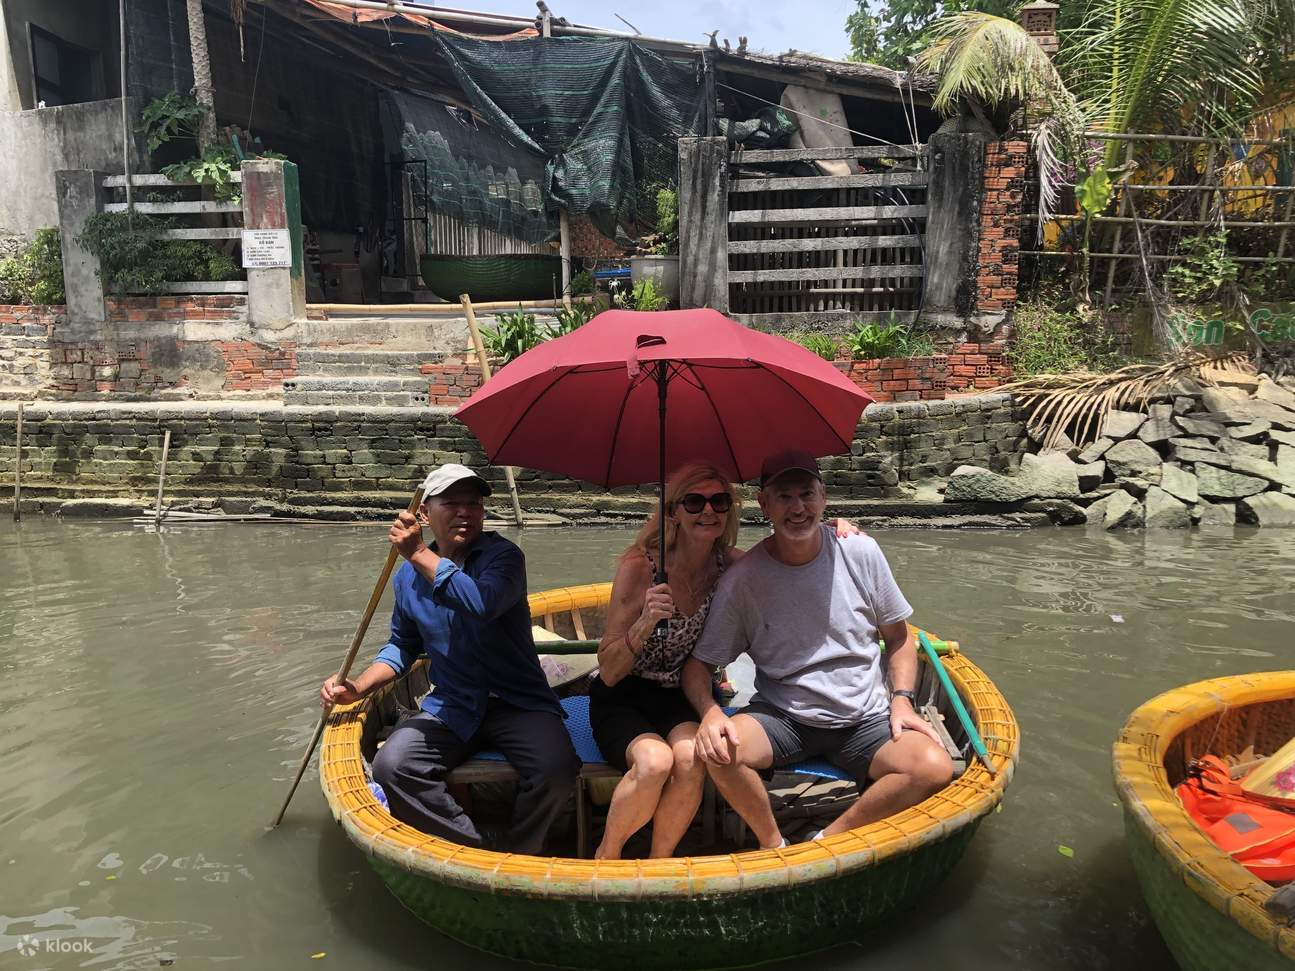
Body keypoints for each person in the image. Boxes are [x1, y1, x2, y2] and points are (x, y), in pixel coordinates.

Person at [682, 450, 952, 850]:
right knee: (719, 752)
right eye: (784, 497)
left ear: (824, 497)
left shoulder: (859, 551)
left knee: (934, 768)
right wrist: (709, 713)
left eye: (807, 495)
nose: (798, 508)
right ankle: (774, 844)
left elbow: (898, 638)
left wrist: (902, 701)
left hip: (864, 717)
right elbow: (699, 665)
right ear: (764, 504)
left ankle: (825, 840)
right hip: (784, 717)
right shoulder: (744, 580)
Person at [591, 462, 861, 859]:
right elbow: (610, 670)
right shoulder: (641, 567)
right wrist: (646, 621)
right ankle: (608, 856)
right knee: (654, 762)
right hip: (624, 694)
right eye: (694, 502)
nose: (708, 511)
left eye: (718, 502)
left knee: (690, 759)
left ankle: (658, 862)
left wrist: (829, 529)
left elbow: (786, 555)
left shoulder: (730, 566)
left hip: (679, 694)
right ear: (673, 512)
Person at [320, 463, 580, 854]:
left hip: (518, 701)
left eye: (473, 504)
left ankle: (523, 847)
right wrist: (357, 687)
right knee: (393, 766)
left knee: (556, 769)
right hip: (453, 703)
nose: (465, 512)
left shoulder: (504, 557)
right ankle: (477, 847)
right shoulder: (406, 578)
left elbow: (481, 602)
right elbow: (402, 646)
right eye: (452, 503)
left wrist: (418, 552)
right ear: (425, 513)